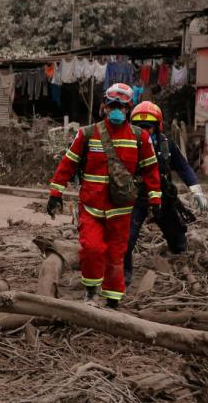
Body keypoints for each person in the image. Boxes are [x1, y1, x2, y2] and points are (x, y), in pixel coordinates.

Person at [46, 83, 162, 309]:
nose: (117, 110)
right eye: (112, 105)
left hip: (121, 210)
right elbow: (67, 164)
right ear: (104, 107)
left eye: (122, 106)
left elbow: (151, 171)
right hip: (91, 208)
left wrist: (155, 200)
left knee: (116, 255)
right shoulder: (87, 134)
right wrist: (55, 193)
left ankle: (113, 300)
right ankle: (90, 293)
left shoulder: (140, 138)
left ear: (129, 109)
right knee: (92, 249)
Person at [124, 101, 208, 286]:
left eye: (148, 127)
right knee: (127, 238)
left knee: (177, 235)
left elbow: (184, 168)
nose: (144, 131)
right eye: (139, 126)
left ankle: (181, 263)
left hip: (162, 198)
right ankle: (124, 275)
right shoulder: (125, 145)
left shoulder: (166, 145)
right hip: (135, 199)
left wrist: (196, 190)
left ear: (158, 126)